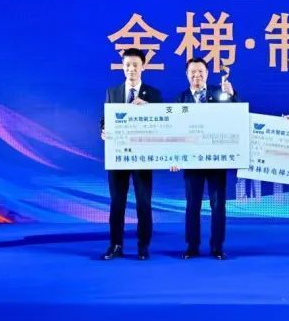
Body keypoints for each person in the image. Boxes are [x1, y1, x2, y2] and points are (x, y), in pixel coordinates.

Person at [172, 58, 237, 260]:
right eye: (193, 72)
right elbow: (174, 130)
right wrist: (174, 156)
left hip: (216, 159)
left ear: (207, 74)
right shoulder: (180, 99)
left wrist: (232, 95)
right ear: (187, 74)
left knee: (218, 205)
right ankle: (192, 246)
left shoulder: (219, 93)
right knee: (193, 205)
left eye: (201, 71)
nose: (197, 75)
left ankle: (217, 247)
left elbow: (236, 116)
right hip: (191, 161)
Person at [101, 47, 163, 261]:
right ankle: (115, 245)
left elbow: (164, 123)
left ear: (143, 67)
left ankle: (143, 246)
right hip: (118, 156)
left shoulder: (153, 94)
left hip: (142, 157)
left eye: (135, 65)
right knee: (117, 202)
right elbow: (105, 119)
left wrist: (149, 109)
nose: (131, 69)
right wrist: (103, 130)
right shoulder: (113, 92)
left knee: (144, 203)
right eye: (127, 65)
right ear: (122, 67)